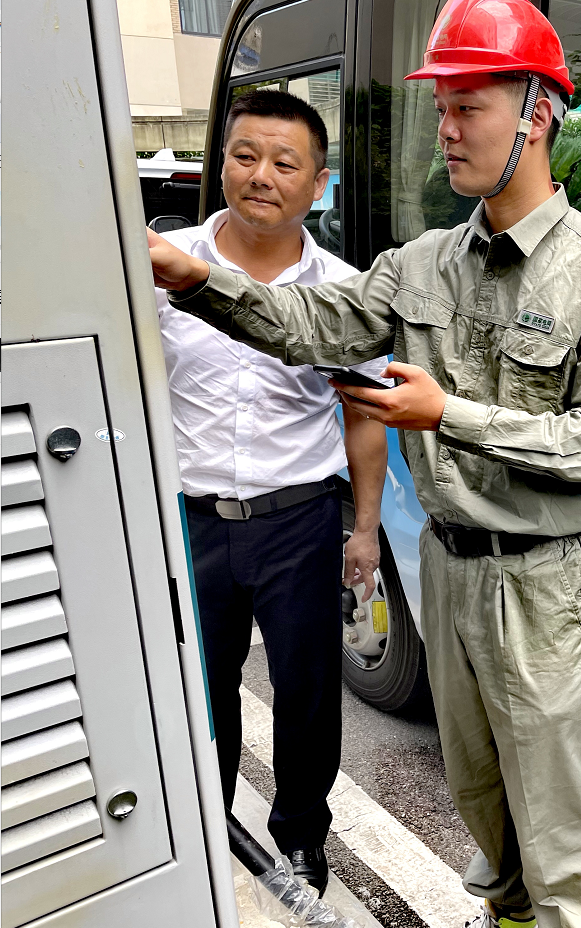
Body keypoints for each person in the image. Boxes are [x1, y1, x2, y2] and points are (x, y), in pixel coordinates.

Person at [146, 0, 581, 925]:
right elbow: (312, 327)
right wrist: (200, 279)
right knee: (484, 805)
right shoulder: (420, 263)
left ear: (537, 112)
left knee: (569, 840)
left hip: (548, 586)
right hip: (450, 572)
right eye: (443, 106)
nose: (447, 130)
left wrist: (445, 412)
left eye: (470, 106)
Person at [154, 89, 389, 896]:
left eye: (284, 163)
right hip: (190, 521)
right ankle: (201, 826)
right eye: (244, 155)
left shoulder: (342, 291)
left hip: (299, 519)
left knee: (309, 690)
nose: (261, 175)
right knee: (197, 686)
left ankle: (301, 836)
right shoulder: (161, 266)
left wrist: (364, 529)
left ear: (316, 183)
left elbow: (363, 415)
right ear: (222, 161)